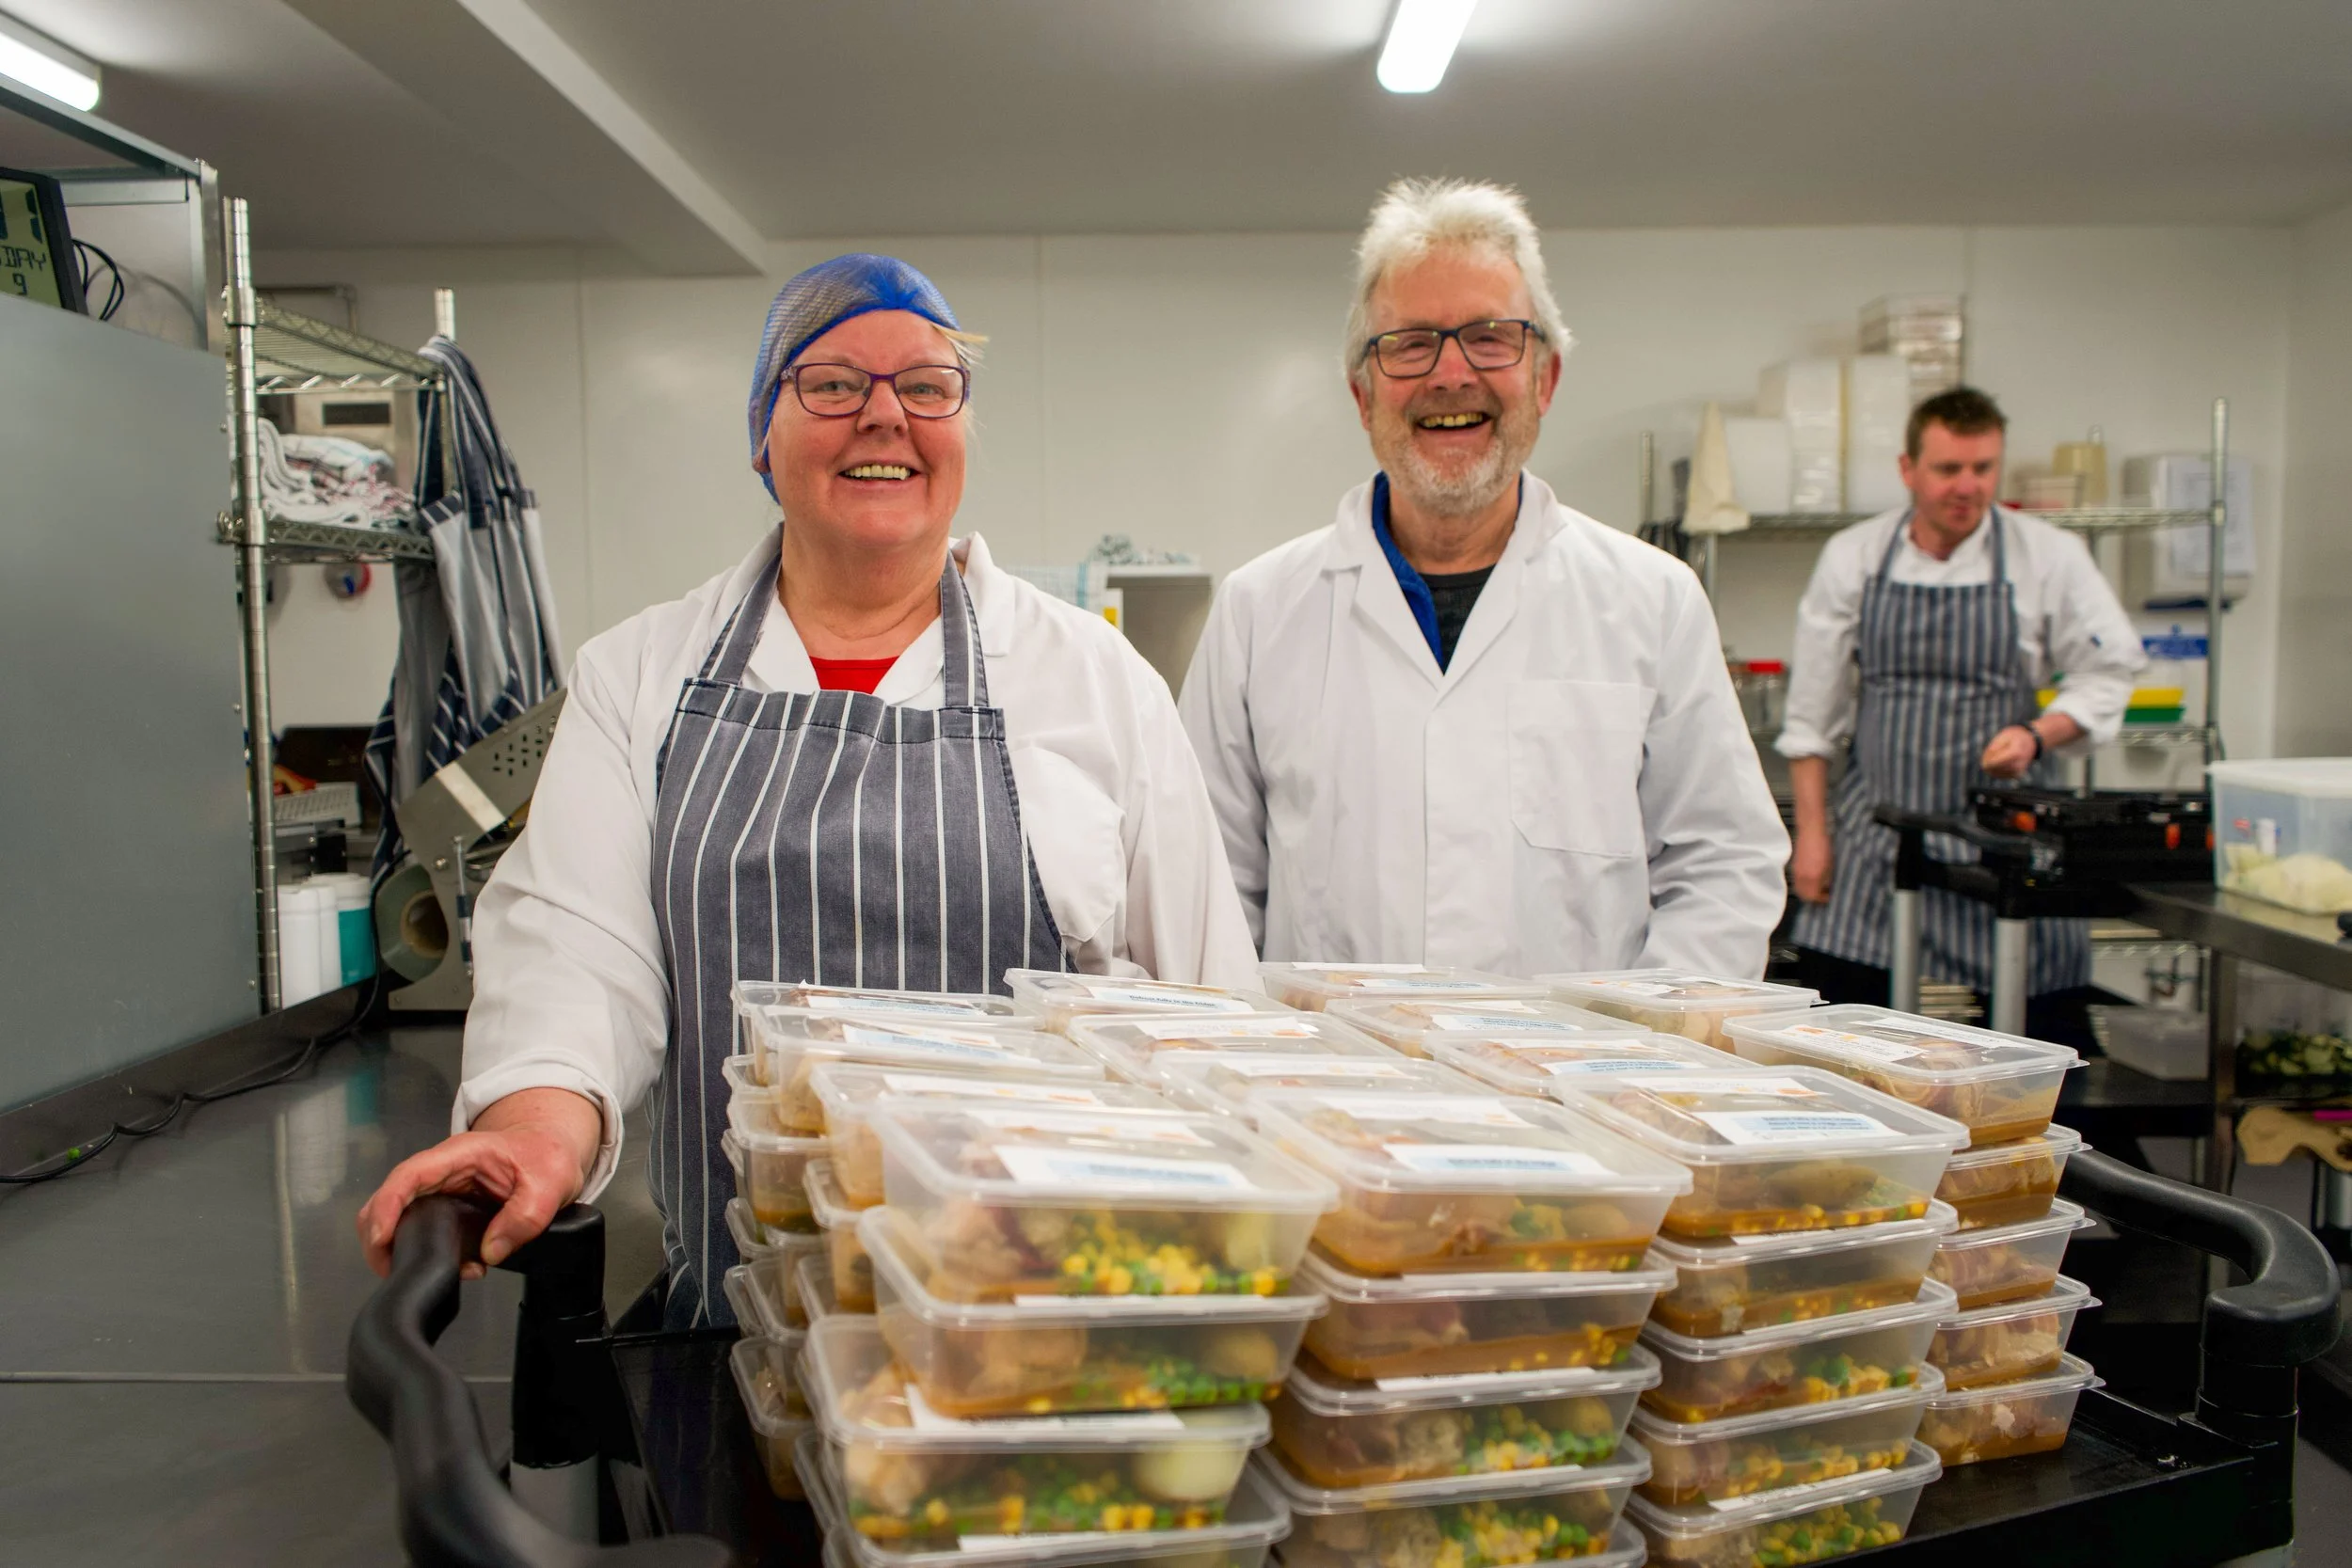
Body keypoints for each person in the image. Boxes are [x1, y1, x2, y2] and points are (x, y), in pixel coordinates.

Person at [356, 255, 1258, 1324]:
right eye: (831, 383)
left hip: (1039, 1325)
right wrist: (532, 1129)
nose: (886, 417)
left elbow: (1205, 1013)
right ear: (760, 437)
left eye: (927, 385)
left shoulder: (1096, 681)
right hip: (740, 1327)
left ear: (961, 430)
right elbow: (575, 954)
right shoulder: (640, 673)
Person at [1181, 178, 1788, 979]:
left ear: (1545, 379)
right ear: (1363, 397)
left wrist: (1630, 1052)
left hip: (1579, 1093)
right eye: (1410, 343)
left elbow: (1725, 867)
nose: (1450, 373)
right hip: (1333, 1093)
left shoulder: (1653, 601)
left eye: (1491, 337)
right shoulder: (1259, 613)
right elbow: (1204, 889)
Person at [1778, 386, 2146, 1013]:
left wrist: (2039, 734)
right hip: (1881, 845)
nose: (1968, 486)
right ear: (1908, 470)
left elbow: (2112, 669)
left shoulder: (2049, 555)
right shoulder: (1856, 556)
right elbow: (1813, 717)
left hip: (2007, 847)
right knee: (1840, 1042)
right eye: (1949, 469)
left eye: (1983, 468)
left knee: (2038, 1046)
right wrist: (1812, 836)